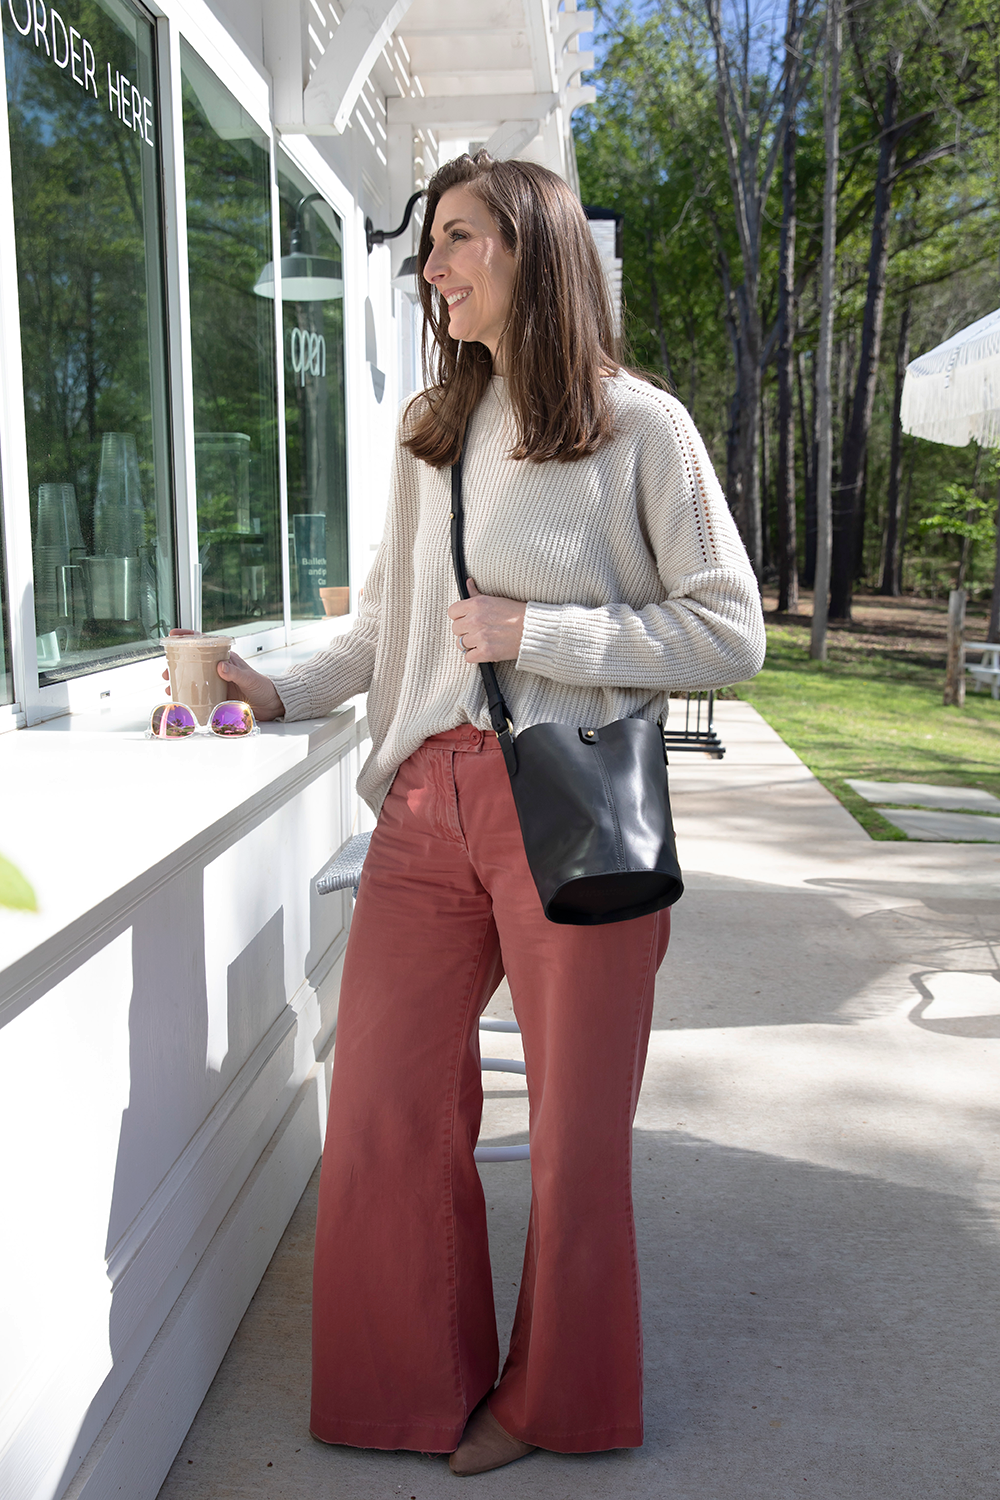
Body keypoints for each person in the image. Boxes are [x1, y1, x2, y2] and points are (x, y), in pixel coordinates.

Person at [205, 152, 765, 1475]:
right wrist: (277, 691)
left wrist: (543, 631)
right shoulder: (434, 427)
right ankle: (403, 1389)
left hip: (573, 797)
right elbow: (392, 627)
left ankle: (553, 1402)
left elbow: (730, 630)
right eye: (431, 244)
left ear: (534, 249)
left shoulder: (641, 427)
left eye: (459, 238)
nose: (434, 266)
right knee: (384, 1105)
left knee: (574, 1136)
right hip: (426, 805)